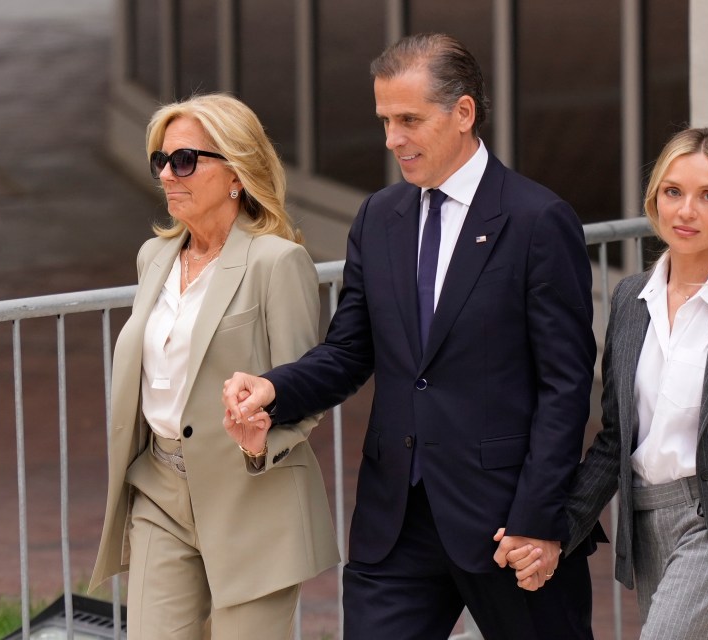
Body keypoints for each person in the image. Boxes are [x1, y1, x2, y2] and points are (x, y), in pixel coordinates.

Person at [222, 33, 597, 640]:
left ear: (464, 113)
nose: (392, 138)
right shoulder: (380, 217)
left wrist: (539, 518)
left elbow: (566, 384)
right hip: (394, 522)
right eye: (385, 121)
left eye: (409, 120)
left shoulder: (537, 221)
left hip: (506, 524)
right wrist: (273, 390)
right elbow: (349, 351)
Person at [505, 127, 708, 638]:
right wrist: (556, 530)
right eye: (673, 192)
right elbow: (616, 441)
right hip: (647, 521)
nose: (686, 211)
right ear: (654, 197)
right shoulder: (632, 302)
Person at [89, 93, 339, 639]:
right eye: (161, 161)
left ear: (236, 172)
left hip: (253, 496)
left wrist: (258, 440)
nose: (168, 175)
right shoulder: (153, 258)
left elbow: (305, 390)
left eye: (185, 161)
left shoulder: (278, 262)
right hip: (160, 488)